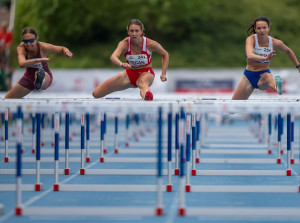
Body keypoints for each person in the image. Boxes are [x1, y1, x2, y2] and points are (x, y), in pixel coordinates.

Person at [92, 19, 169, 100]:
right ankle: (146, 94)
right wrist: (121, 64)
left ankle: (147, 95)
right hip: (129, 74)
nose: (134, 34)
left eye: (136, 31)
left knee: (142, 82)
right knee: (96, 94)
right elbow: (113, 57)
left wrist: (163, 73)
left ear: (141, 31)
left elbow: (165, 54)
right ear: (128, 32)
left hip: (146, 72)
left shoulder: (150, 44)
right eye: (131, 31)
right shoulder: (124, 43)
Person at [232, 16, 300, 100]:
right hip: (249, 76)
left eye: (264, 27)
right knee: (234, 105)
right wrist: (264, 58)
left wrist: (298, 65)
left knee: (268, 78)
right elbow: (249, 56)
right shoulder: (251, 39)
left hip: (263, 75)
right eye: (259, 28)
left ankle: (277, 87)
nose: (262, 31)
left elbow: (288, 51)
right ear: (255, 29)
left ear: (268, 28)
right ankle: (275, 85)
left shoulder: (276, 42)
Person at [4, 27, 73, 99]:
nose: (28, 44)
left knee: (41, 75)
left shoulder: (44, 47)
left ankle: (39, 81)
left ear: (36, 39)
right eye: (25, 41)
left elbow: (62, 48)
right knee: (7, 99)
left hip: (45, 76)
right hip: (28, 78)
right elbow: (22, 63)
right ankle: (37, 81)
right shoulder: (21, 48)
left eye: (31, 41)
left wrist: (66, 52)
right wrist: (38, 60)